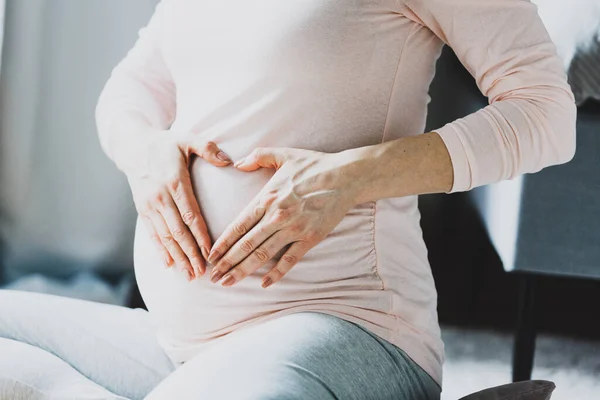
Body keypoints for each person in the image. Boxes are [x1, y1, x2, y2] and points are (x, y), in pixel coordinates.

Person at [0, 0, 576, 399]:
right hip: (176, 346)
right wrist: (144, 152)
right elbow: (131, 90)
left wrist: (349, 176)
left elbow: (545, 114)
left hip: (345, 325)